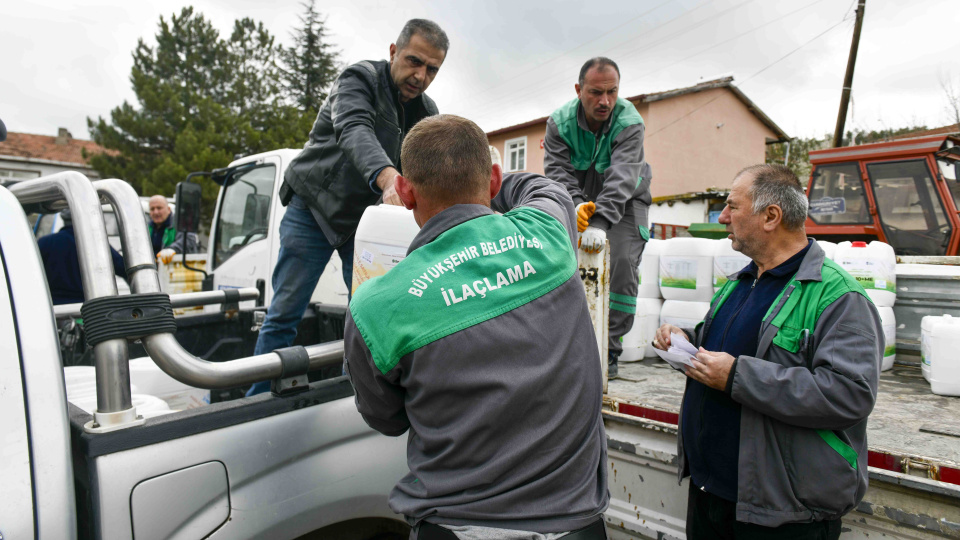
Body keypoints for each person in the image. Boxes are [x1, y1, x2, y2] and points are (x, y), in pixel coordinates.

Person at [344, 115, 609, 539]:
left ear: (406, 193)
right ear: (494, 180)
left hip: (454, 525)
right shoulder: (548, 236)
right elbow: (548, 188)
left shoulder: (375, 306)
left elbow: (387, 418)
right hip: (574, 523)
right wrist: (488, 177)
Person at [653, 164, 881, 540]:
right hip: (713, 494)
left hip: (781, 515)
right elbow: (730, 349)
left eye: (732, 207)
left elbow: (849, 393)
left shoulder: (838, 297)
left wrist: (737, 377)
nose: (723, 217)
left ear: (771, 216)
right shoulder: (742, 281)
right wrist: (684, 340)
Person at [246, 19, 449, 396]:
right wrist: (389, 179)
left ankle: (356, 396)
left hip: (363, 224)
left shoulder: (427, 112)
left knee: (369, 314)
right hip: (313, 209)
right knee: (285, 312)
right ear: (393, 52)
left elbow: (431, 167)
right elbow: (355, 129)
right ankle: (254, 402)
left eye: (432, 69)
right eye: (414, 61)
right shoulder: (359, 79)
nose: (420, 76)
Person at [543, 57, 652, 379]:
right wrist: (577, 207)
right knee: (564, 261)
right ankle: (569, 343)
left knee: (620, 261)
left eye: (612, 92)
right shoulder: (558, 124)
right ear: (579, 90)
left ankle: (610, 348)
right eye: (595, 92)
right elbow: (558, 173)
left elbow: (621, 177)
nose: (604, 101)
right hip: (579, 198)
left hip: (627, 201)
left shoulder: (629, 122)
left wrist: (600, 222)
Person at [38, 208, 127, 305]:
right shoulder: (96, 245)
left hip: (53, 309)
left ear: (64, 219)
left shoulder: (45, 243)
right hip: (87, 310)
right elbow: (124, 268)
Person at [149, 195, 199, 263]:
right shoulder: (146, 228)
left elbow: (190, 239)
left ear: (169, 209)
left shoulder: (180, 223)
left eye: (159, 208)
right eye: (152, 209)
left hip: (175, 271)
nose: (156, 212)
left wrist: (172, 249)